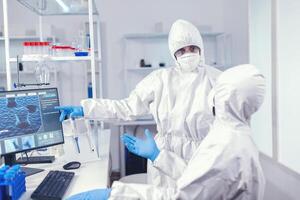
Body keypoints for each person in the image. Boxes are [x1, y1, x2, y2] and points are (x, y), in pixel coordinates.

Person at [56, 19, 220, 187]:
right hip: (163, 155)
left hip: (203, 154)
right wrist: (86, 109)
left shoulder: (217, 79)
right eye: (182, 50)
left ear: (201, 48)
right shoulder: (160, 79)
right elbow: (126, 107)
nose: (188, 54)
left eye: (192, 48)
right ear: (174, 54)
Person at [67, 64, 266, 200]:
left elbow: (181, 196)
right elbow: (196, 180)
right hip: (171, 157)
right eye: (182, 49)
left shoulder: (224, 146)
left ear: (222, 94)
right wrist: (158, 155)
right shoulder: (235, 136)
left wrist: (113, 194)